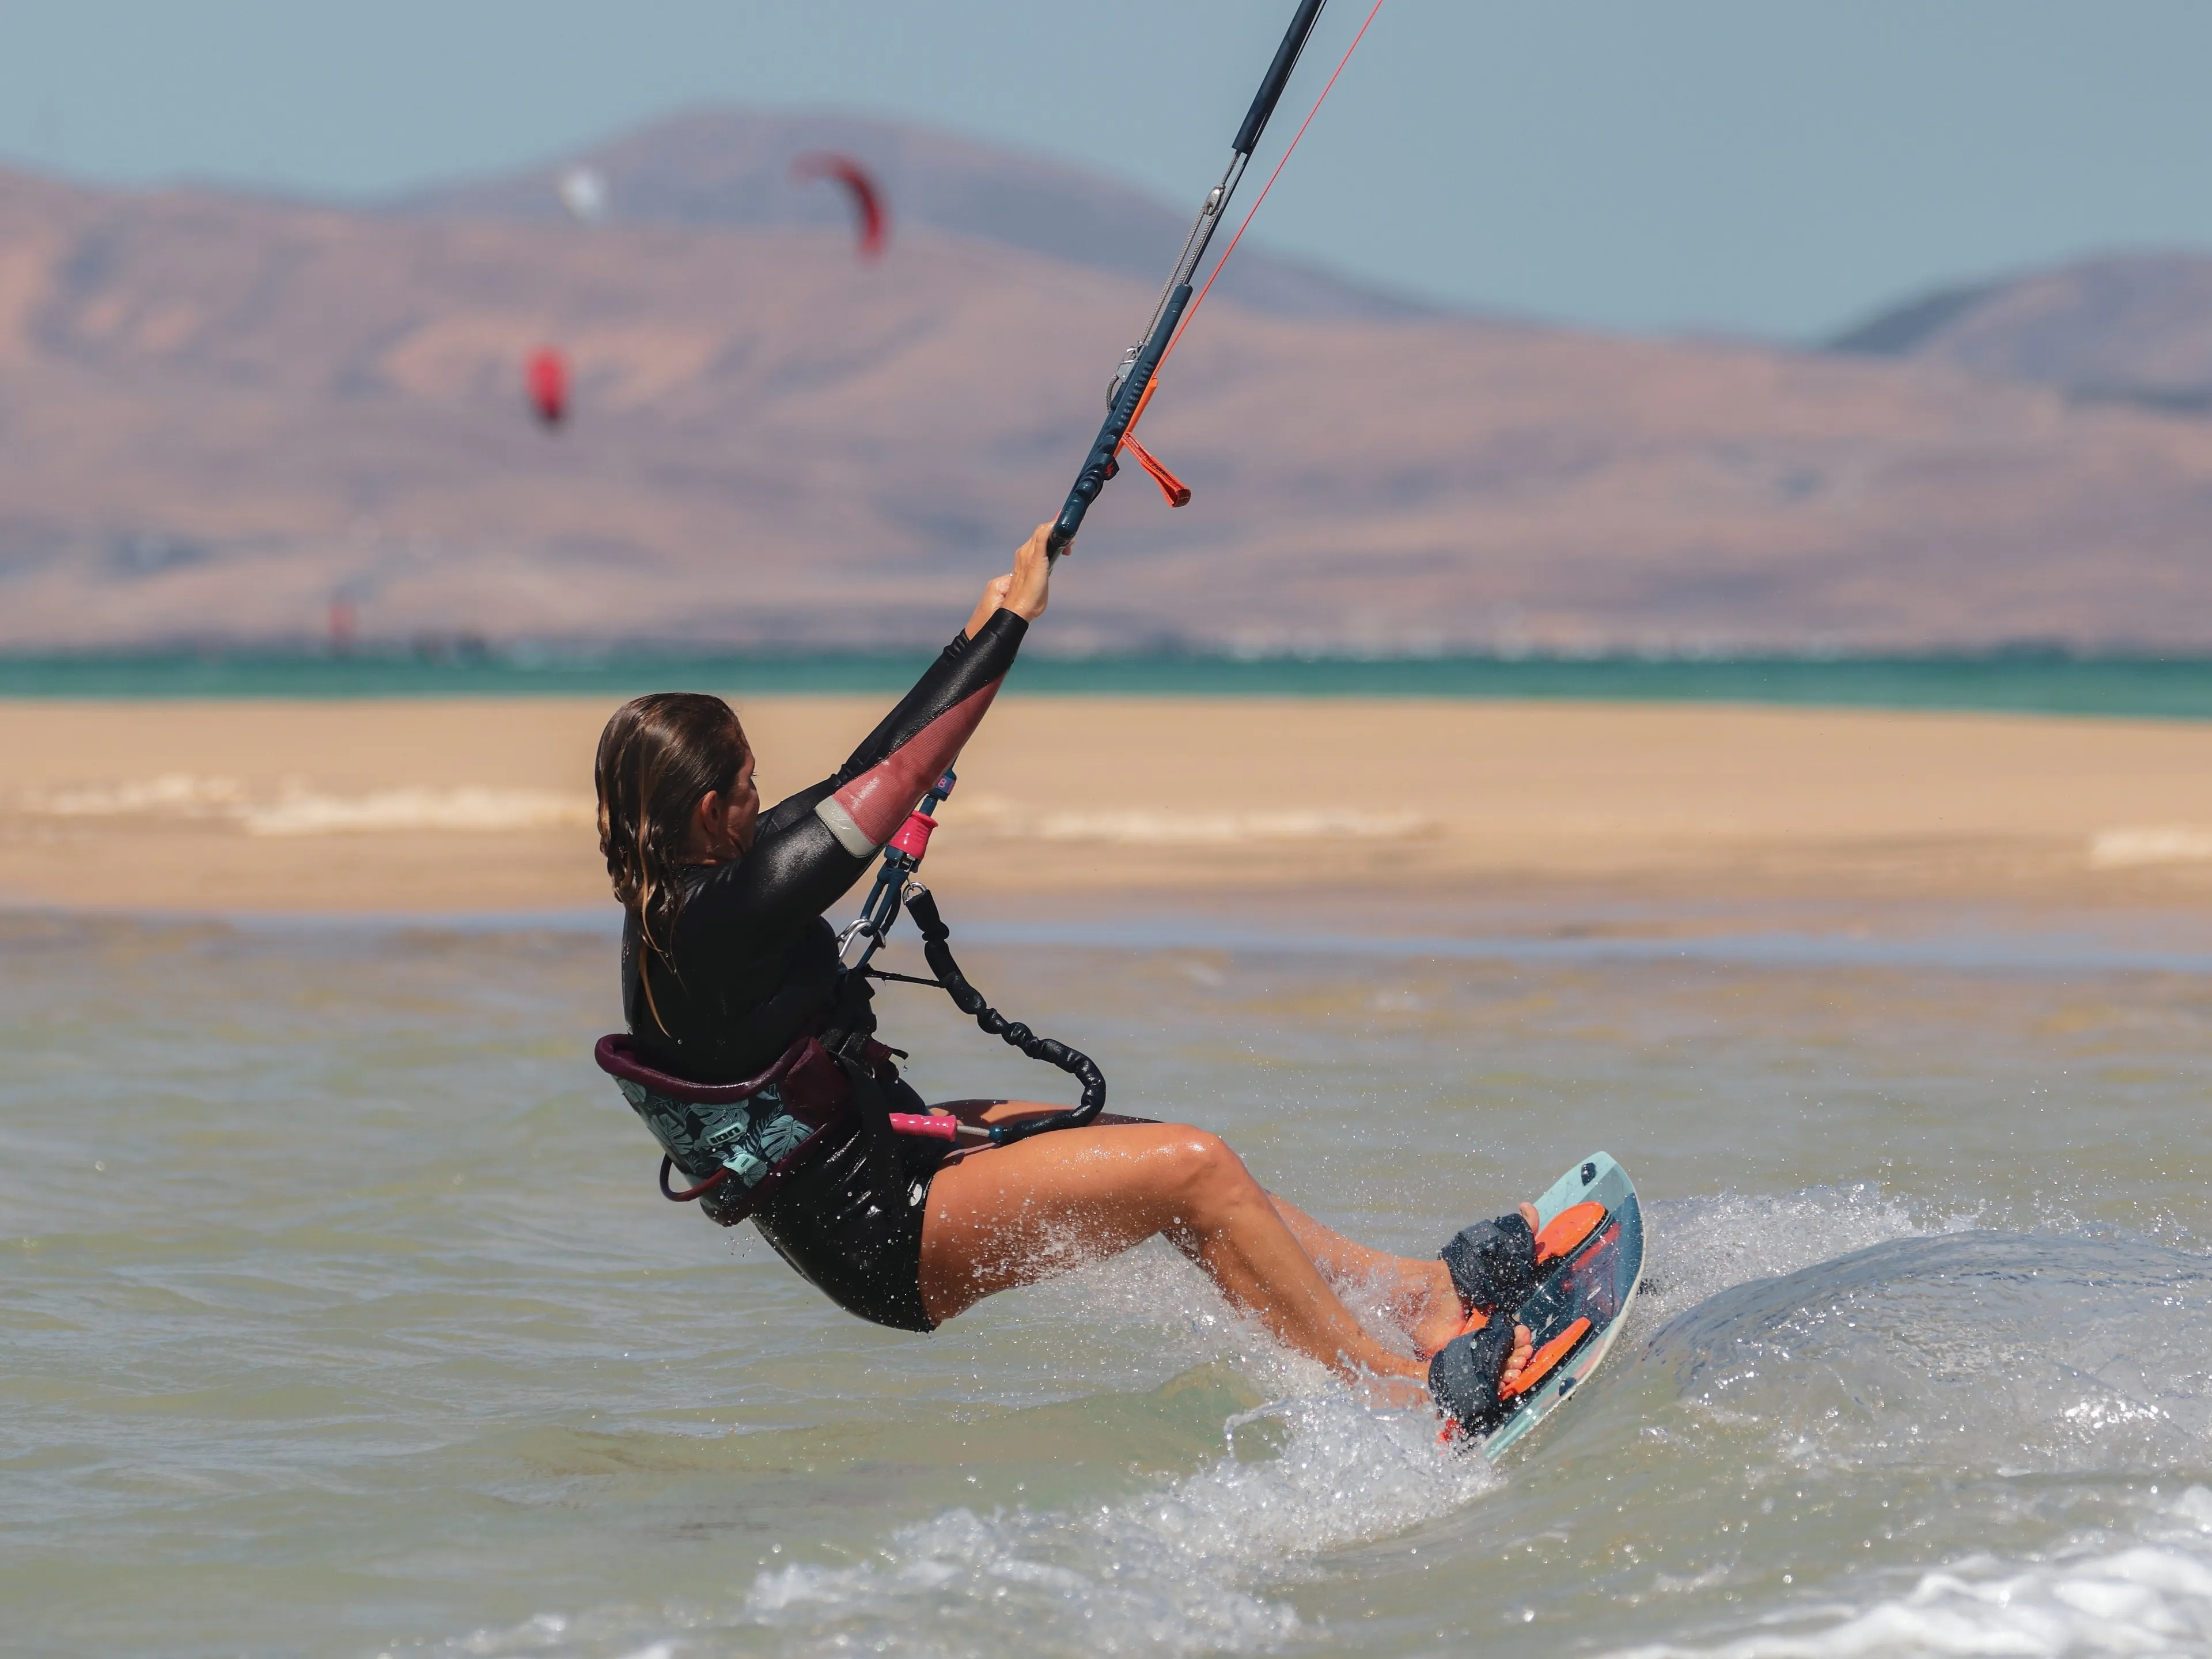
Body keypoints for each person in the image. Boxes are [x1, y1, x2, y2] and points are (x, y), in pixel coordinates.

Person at [593, 523, 1549, 1434]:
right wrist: (1019, 626)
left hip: (888, 1152)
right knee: (1195, 1170)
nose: (766, 806)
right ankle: (1393, 1393)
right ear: (712, 808)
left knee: (1136, 1148)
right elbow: (888, 782)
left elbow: (869, 768)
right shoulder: (719, 918)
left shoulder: (678, 907)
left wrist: (983, 622)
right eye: (752, 788)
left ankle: (1410, 1294)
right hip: (884, 1232)